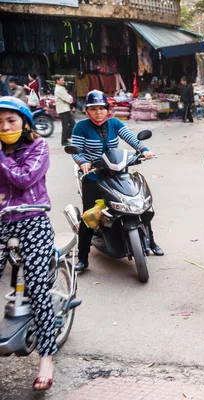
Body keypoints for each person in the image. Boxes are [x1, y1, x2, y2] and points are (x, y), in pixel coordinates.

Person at [71, 90, 164, 272]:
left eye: (102, 108)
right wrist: (82, 162)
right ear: (87, 111)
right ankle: (83, 257)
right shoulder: (80, 127)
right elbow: (76, 151)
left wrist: (144, 150)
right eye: (93, 109)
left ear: (108, 109)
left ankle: (151, 242)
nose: (98, 112)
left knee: (140, 205)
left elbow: (130, 138)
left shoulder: (114, 123)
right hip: (94, 175)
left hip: (117, 172)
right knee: (89, 216)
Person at [0, 97, 56, 390]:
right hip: (1, 220)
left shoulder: (38, 147)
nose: (5, 127)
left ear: (24, 122)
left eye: (11, 120)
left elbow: (24, 179)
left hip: (32, 219)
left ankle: (46, 357)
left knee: (37, 289)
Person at [54, 75, 75, 146]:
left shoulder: (60, 88)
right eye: (62, 80)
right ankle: (64, 140)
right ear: (57, 81)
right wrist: (69, 97)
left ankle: (67, 137)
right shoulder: (59, 90)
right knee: (66, 126)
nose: (63, 81)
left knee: (72, 124)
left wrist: (68, 98)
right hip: (63, 110)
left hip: (65, 109)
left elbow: (67, 99)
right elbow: (69, 99)